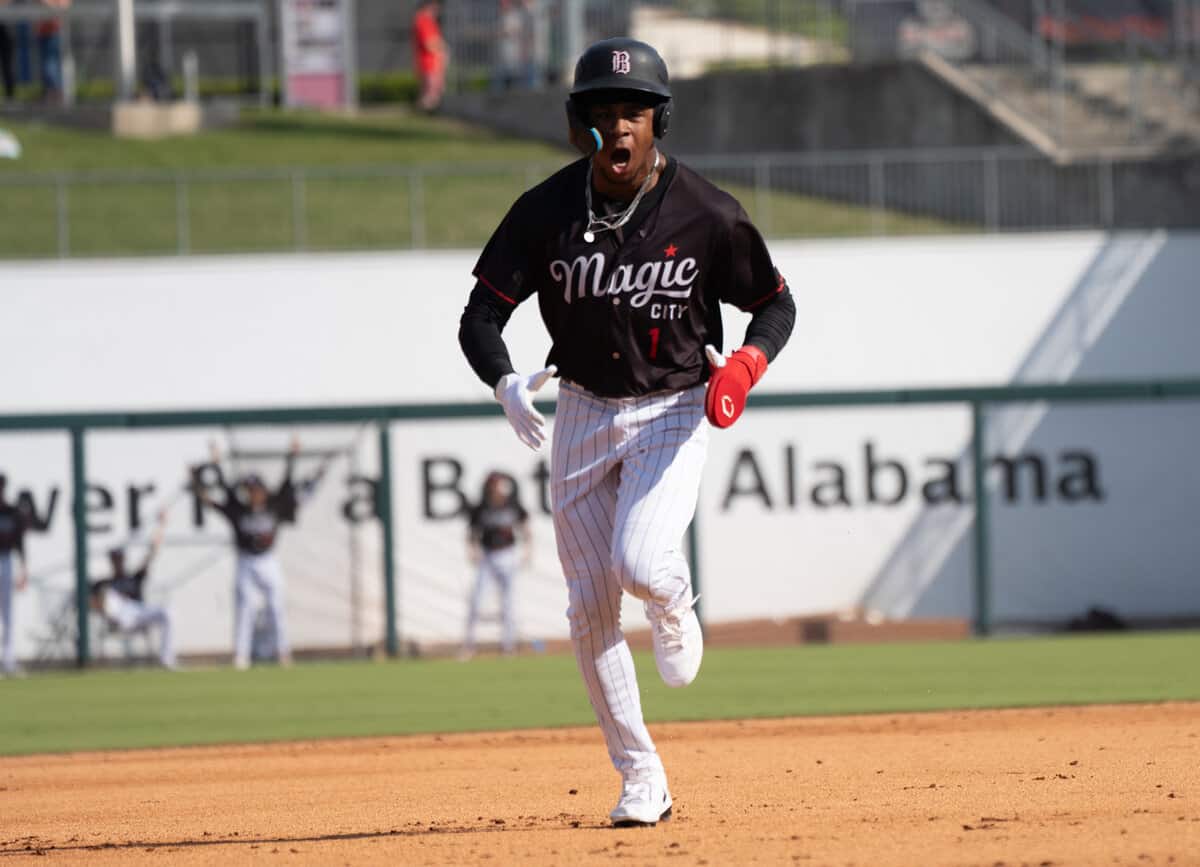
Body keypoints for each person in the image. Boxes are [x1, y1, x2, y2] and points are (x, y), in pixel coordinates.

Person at [458, 37, 796, 826]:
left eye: (634, 112)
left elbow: (776, 304)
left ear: (658, 122)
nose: (620, 128)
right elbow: (480, 314)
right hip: (579, 408)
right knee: (588, 608)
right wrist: (503, 378)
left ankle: (674, 600)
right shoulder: (545, 210)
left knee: (641, 560)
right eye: (604, 113)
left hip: (673, 406)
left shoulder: (707, 212)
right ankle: (642, 774)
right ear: (582, 125)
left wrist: (746, 364)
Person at [191, 437, 315, 670]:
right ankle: (241, 655)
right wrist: (215, 462)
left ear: (262, 489)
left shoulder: (274, 505)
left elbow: (287, 481)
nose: (251, 493)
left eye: (254, 489)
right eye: (248, 490)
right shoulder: (238, 509)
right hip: (246, 561)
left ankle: (283, 652)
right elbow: (223, 490)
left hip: (268, 560)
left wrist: (293, 455)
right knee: (244, 607)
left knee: (276, 606)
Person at [89, 508, 178, 670]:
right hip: (117, 617)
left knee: (168, 613)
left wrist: (161, 525)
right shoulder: (105, 582)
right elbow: (89, 601)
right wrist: (101, 606)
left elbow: (152, 552)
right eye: (115, 559)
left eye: (120, 559)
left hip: (138, 613)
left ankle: (167, 659)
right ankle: (116, 616)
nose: (118, 562)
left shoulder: (133, 578)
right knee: (107, 595)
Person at [461, 471, 530, 659]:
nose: (497, 488)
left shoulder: (511, 504)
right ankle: (469, 645)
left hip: (508, 554)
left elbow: (525, 526)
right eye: (494, 485)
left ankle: (508, 646)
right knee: (476, 600)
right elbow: (472, 532)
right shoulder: (482, 507)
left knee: (509, 602)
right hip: (488, 556)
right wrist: (473, 550)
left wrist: (528, 549)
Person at [0, 473, 32, 677]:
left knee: (8, 613)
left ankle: (8, 660)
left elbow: (20, 544)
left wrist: (23, 569)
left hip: (6, 560)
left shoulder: (13, 513)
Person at [411, 0, 446, 112]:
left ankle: (424, 112)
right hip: (429, 63)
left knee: (432, 93)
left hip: (431, 63)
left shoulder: (427, 21)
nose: (437, 9)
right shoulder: (423, 20)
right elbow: (429, 44)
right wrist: (442, 48)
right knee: (430, 94)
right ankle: (422, 112)